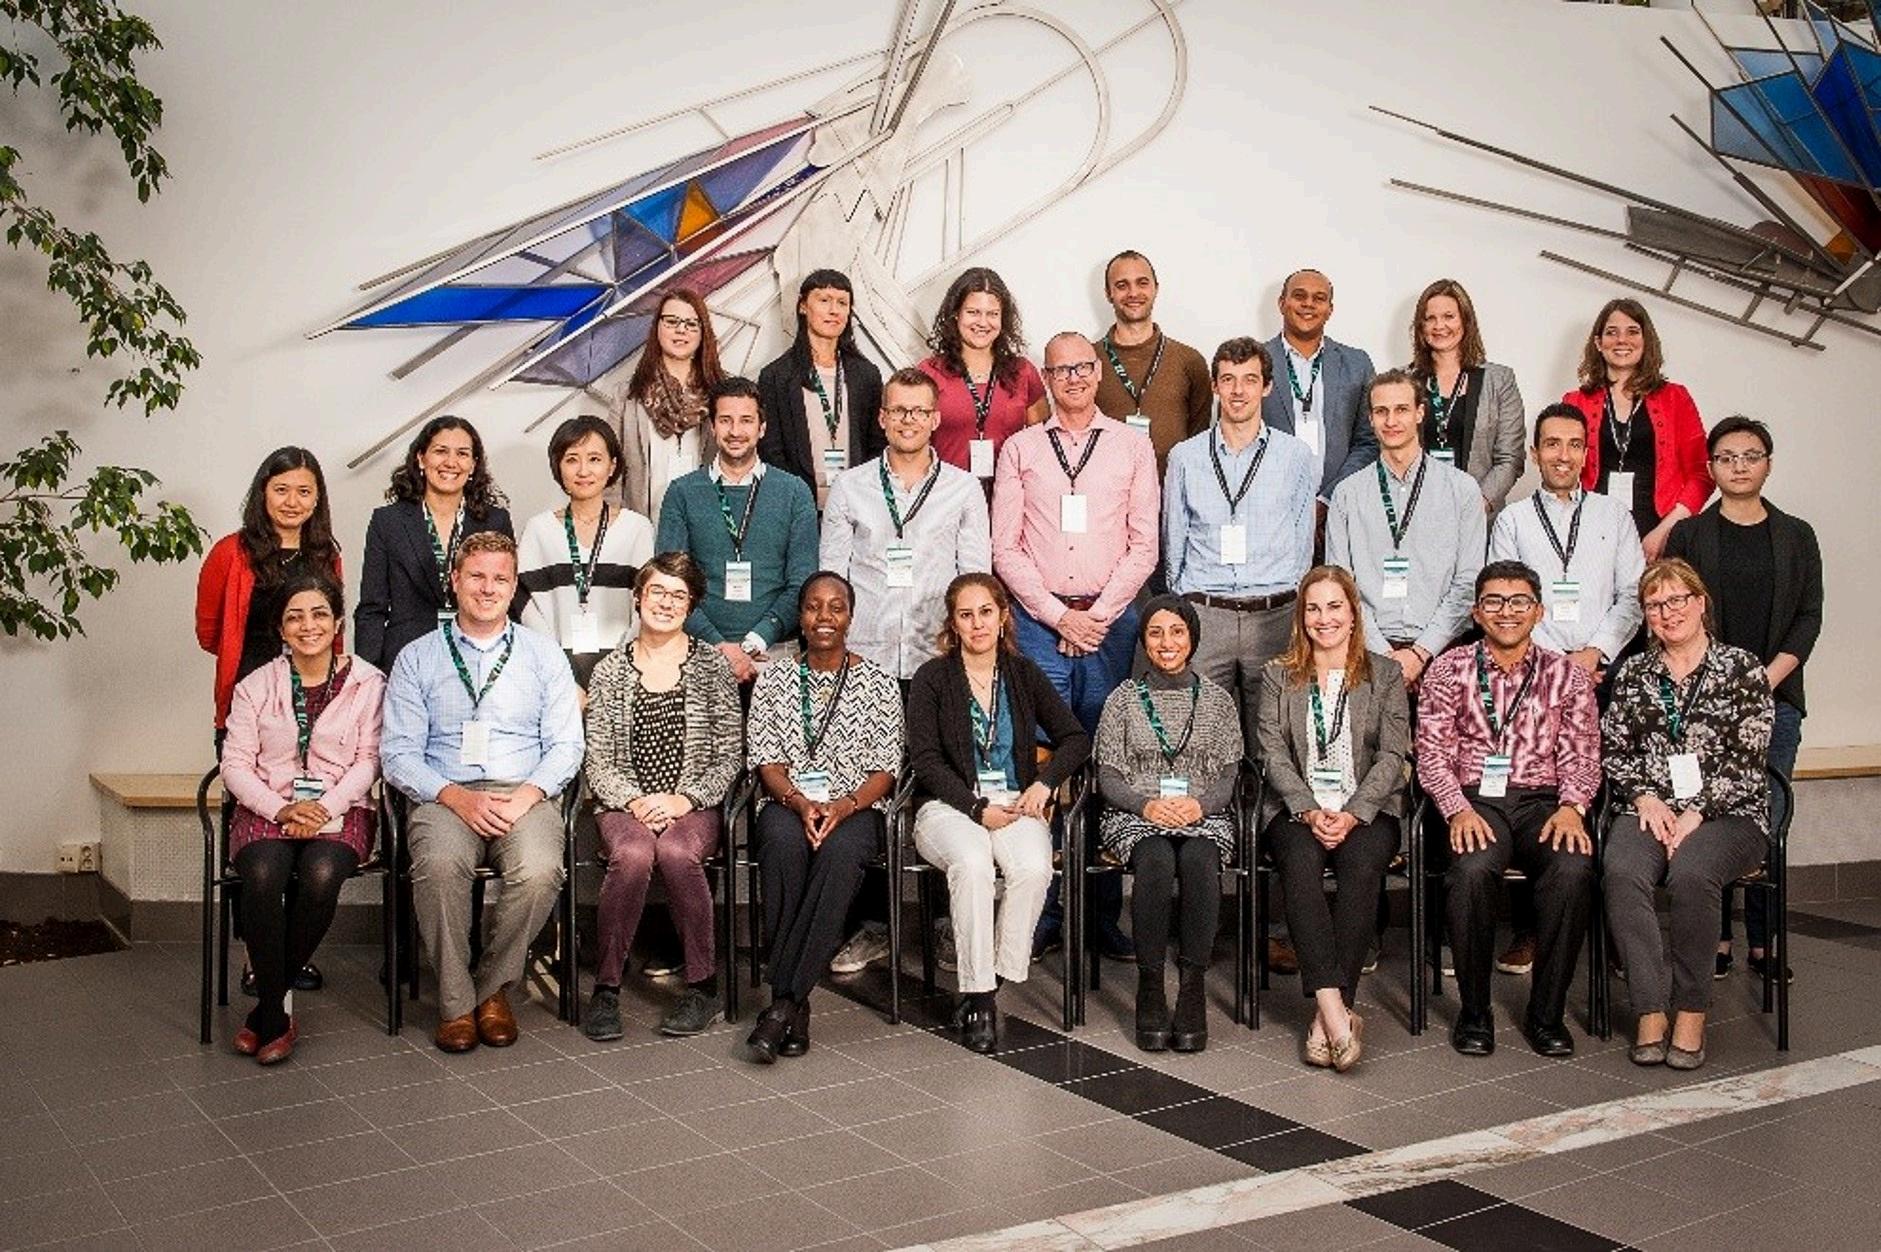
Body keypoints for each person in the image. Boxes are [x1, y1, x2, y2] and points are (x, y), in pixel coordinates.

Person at [380, 532, 584, 1053]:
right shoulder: (416, 657)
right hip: (444, 794)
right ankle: (455, 1003)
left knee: (540, 871)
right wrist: (453, 796)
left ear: (514, 587)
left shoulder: (544, 656)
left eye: (500, 578)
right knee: (439, 866)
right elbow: (398, 753)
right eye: (476, 576)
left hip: (524, 793)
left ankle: (492, 989)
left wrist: (528, 795)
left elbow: (566, 746)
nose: (488, 588)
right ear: (455, 581)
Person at [992, 331, 1160, 961]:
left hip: (1111, 625)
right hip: (1040, 624)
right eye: (1060, 370)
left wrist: (1098, 616)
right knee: (1039, 763)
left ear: (1098, 371)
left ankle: (1101, 914)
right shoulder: (1021, 449)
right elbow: (1005, 547)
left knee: (1106, 763)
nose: (1073, 378)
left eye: (1083, 367)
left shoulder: (1132, 446)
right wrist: (1060, 616)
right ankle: (1041, 913)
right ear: (1047, 376)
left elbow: (1145, 545)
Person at [1416, 561, 1602, 1058]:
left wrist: (1573, 807)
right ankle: (1475, 1012)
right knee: (1471, 870)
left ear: (1538, 611)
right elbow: (1431, 753)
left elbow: (1583, 752)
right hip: (1474, 798)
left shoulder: (1566, 674)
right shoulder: (1448, 669)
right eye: (1494, 602)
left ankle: (1546, 1015)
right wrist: (1456, 809)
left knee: (1573, 869)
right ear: (1477, 612)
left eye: (1519, 601)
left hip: (1545, 801)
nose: (1507, 611)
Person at [1664, 416, 1821, 981]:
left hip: (1776, 698)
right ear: (1711, 468)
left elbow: (1809, 617)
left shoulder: (1797, 535)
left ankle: (1763, 940)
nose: (1738, 466)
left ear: (1768, 465)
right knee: (1708, 816)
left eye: (1750, 456)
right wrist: (1722, 684)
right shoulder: (1690, 536)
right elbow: (1676, 613)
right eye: (1726, 457)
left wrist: (1761, 681)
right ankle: (1719, 937)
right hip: (1702, 700)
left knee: (1766, 817)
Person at [907, 573, 1090, 1052]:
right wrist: (974, 807)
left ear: (1003, 616)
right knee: (972, 866)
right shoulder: (932, 678)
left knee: (1033, 868)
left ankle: (994, 979)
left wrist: (1044, 785)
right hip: (949, 807)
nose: (978, 624)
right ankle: (980, 997)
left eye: (986, 612)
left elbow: (1075, 738)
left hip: (1014, 803)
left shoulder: (1023, 674)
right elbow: (925, 760)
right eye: (966, 615)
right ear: (953, 623)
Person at [1603, 559, 1774, 1070]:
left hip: (1730, 813)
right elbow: (1614, 749)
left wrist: (1698, 812)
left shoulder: (1742, 668)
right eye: (1655, 605)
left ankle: (1692, 1010)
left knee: (1693, 873)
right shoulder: (1634, 673)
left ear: (1701, 603)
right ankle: (1650, 1008)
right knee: (1622, 871)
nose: (1667, 612)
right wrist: (1644, 798)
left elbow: (1749, 757)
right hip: (1650, 808)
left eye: (1677, 600)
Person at [219, 574, 384, 1064]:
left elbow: (370, 761)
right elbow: (234, 765)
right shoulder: (255, 685)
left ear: (338, 622)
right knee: (261, 873)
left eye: (319, 614)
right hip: (268, 804)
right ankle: (276, 1012)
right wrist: (280, 808)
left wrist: (325, 807)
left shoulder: (369, 683)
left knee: (321, 872)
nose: (308, 625)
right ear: (281, 629)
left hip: (341, 806)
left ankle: (266, 1011)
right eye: (295, 617)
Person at [582, 552, 741, 1040]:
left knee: (675, 850)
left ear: (690, 605)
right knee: (632, 854)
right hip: (624, 803)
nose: (666, 603)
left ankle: (702, 987)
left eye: (678, 595)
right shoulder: (609, 671)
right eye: (657, 592)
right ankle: (606, 989)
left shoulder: (712, 667)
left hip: (692, 804)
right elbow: (597, 760)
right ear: (638, 598)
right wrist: (635, 801)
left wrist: (684, 800)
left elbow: (729, 755)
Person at [744, 573, 903, 1062]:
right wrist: (798, 802)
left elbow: (886, 768)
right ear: (801, 616)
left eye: (836, 607)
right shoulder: (775, 678)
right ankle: (795, 1007)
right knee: (781, 844)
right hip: (787, 802)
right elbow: (766, 760)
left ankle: (783, 1004)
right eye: (814, 607)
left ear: (851, 617)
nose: (825, 617)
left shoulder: (878, 682)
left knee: (838, 853)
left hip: (856, 807)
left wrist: (844, 805)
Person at [1257, 566, 1410, 1072]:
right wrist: (1306, 807)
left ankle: (1328, 1019)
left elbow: (1392, 755)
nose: (1324, 619)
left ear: (1353, 613)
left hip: (1367, 809)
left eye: (1334, 607)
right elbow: (1272, 753)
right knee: (1299, 866)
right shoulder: (1278, 674)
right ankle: (1335, 1010)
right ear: (1301, 616)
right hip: (1296, 810)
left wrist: (1353, 813)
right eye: (1313, 608)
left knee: (1361, 867)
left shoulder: (1385, 674)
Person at [1095, 596, 1244, 1053]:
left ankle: (1193, 989)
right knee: (1156, 861)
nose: (1167, 643)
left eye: (1177, 632)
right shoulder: (1122, 699)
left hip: (1204, 812)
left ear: (1193, 638)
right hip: (1136, 814)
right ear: (1143, 640)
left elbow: (1229, 775)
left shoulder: (1217, 701)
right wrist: (1146, 806)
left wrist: (1200, 805)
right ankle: (1151, 987)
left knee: (1199, 860)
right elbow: (1108, 776)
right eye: (1155, 633)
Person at [1162, 336, 1317, 744]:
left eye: (1249, 379)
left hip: (1274, 615)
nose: (1238, 391)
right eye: (1228, 379)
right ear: (1215, 385)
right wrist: (1187, 599)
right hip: (1205, 612)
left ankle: (1264, 793)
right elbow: (1174, 539)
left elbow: (1303, 541)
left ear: (1266, 386)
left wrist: (1289, 597)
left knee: (1273, 738)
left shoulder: (1296, 457)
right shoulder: (1185, 457)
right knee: (1198, 735)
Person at [821, 366, 991, 685]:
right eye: (898, 410)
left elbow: (976, 581)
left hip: (938, 656)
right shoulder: (848, 486)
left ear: (935, 419)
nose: (908, 420)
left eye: (919, 411)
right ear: (882, 418)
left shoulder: (965, 489)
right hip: (865, 656)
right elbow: (831, 580)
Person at [655, 377, 820, 685]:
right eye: (725, 420)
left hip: (775, 655)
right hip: (699, 653)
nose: (735, 431)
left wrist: (758, 638)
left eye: (746, 420)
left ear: (762, 427)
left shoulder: (795, 492)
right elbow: (671, 583)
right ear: (712, 427)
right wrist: (718, 645)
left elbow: (803, 582)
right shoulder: (681, 493)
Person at [1326, 369, 1485, 687]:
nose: (1391, 421)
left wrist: (1421, 652)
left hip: (1444, 651)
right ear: (1370, 419)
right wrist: (1384, 654)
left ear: (1420, 413)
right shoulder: (1347, 494)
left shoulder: (1462, 490)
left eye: (1401, 410)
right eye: (1381, 411)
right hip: (1368, 653)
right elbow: (1341, 586)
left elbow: (1469, 582)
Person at [196, 447, 343, 745]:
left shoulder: (326, 554)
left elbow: (334, 631)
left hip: (314, 695)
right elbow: (209, 634)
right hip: (247, 693)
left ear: (317, 498)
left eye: (304, 492)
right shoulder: (229, 552)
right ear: (263, 492)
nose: (292, 502)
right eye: (281, 490)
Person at [1490, 404, 1646, 680]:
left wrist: (1595, 652)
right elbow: (1507, 600)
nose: (1564, 456)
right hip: (1533, 670)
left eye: (1574, 445)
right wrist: (1559, 662)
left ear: (1585, 455)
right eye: (1553, 444)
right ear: (1535, 454)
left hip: (1604, 670)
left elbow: (1633, 594)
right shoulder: (1511, 520)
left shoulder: (1615, 515)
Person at [356, 416, 513, 674]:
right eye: (440, 451)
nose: (451, 462)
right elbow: (372, 608)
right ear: (421, 458)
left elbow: (506, 598)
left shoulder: (495, 520)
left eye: (462, 453)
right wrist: (368, 675)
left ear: (473, 465)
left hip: (478, 658)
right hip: (405, 659)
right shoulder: (388, 521)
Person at [1559, 298, 1710, 559]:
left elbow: (1702, 473)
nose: (1622, 340)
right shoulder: (1575, 401)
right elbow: (1561, 472)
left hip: (1661, 533)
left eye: (1632, 331)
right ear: (1598, 343)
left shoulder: (1676, 398)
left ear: (1646, 340)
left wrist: (1666, 530)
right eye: (1611, 332)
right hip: (1589, 532)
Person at [515, 416, 654, 691]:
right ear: (558, 466)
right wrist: (561, 675)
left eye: (594, 459)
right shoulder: (538, 529)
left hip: (625, 672)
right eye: (571, 460)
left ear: (612, 466)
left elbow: (647, 605)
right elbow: (525, 606)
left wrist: (618, 670)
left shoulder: (637, 528)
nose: (583, 470)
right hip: (554, 673)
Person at [757, 269, 886, 506]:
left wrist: (863, 492)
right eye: (824, 300)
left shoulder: (866, 374)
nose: (834, 310)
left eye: (842, 303)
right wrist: (796, 497)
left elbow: (878, 443)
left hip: (857, 505)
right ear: (803, 306)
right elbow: (770, 449)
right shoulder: (776, 375)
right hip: (797, 505)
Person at [1260, 268, 1378, 509]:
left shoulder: (1357, 364)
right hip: (1270, 508)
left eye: (1319, 298)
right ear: (1282, 303)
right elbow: (1238, 438)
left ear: (1330, 310)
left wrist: (1329, 499)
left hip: (1340, 508)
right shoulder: (1255, 363)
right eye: (1299, 296)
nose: (1309, 304)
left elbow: (1369, 442)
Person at [605, 288, 723, 530]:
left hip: (705, 529)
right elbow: (610, 470)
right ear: (657, 327)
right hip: (641, 529)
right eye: (671, 321)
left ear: (703, 332)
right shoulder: (627, 396)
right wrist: (615, 526)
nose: (681, 330)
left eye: (691, 324)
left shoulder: (721, 394)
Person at [1407, 278, 1526, 515]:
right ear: (1421, 326)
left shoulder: (1500, 380)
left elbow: (1510, 458)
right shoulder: (1403, 381)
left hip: (1478, 515)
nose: (1439, 325)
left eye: (1449, 316)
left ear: (1466, 320)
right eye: (1430, 318)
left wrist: (1475, 506)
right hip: (1416, 515)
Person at [919, 267, 1048, 482]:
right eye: (973, 312)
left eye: (992, 314)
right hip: (947, 495)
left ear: (1003, 319)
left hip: (1007, 495)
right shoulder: (929, 373)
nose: (982, 322)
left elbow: (1043, 449)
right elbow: (914, 446)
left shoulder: (1023, 372)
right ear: (956, 314)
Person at [1091, 249, 1212, 473]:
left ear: (1156, 288)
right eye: (1122, 285)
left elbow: (1200, 439)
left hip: (1173, 489)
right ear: (1108, 294)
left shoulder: (1190, 361)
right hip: (1107, 491)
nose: (1133, 292)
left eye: (1142, 283)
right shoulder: (1087, 362)